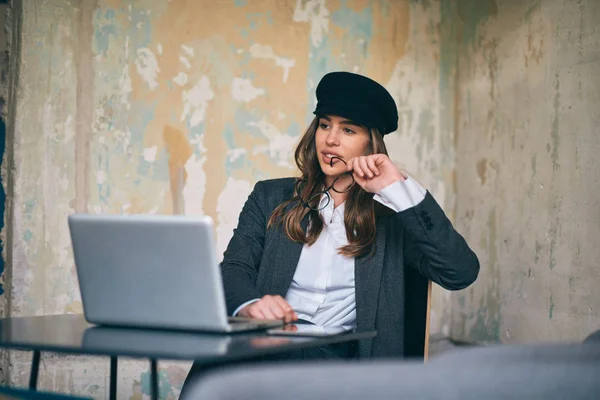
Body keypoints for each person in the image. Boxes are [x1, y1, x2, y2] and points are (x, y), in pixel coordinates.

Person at [181, 71, 479, 395]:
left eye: (347, 129)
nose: (330, 139)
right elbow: (234, 268)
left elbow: (460, 272)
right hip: (265, 347)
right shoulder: (269, 198)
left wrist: (399, 188)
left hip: (335, 362)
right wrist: (251, 304)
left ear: (371, 142)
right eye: (325, 124)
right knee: (214, 366)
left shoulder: (394, 219)